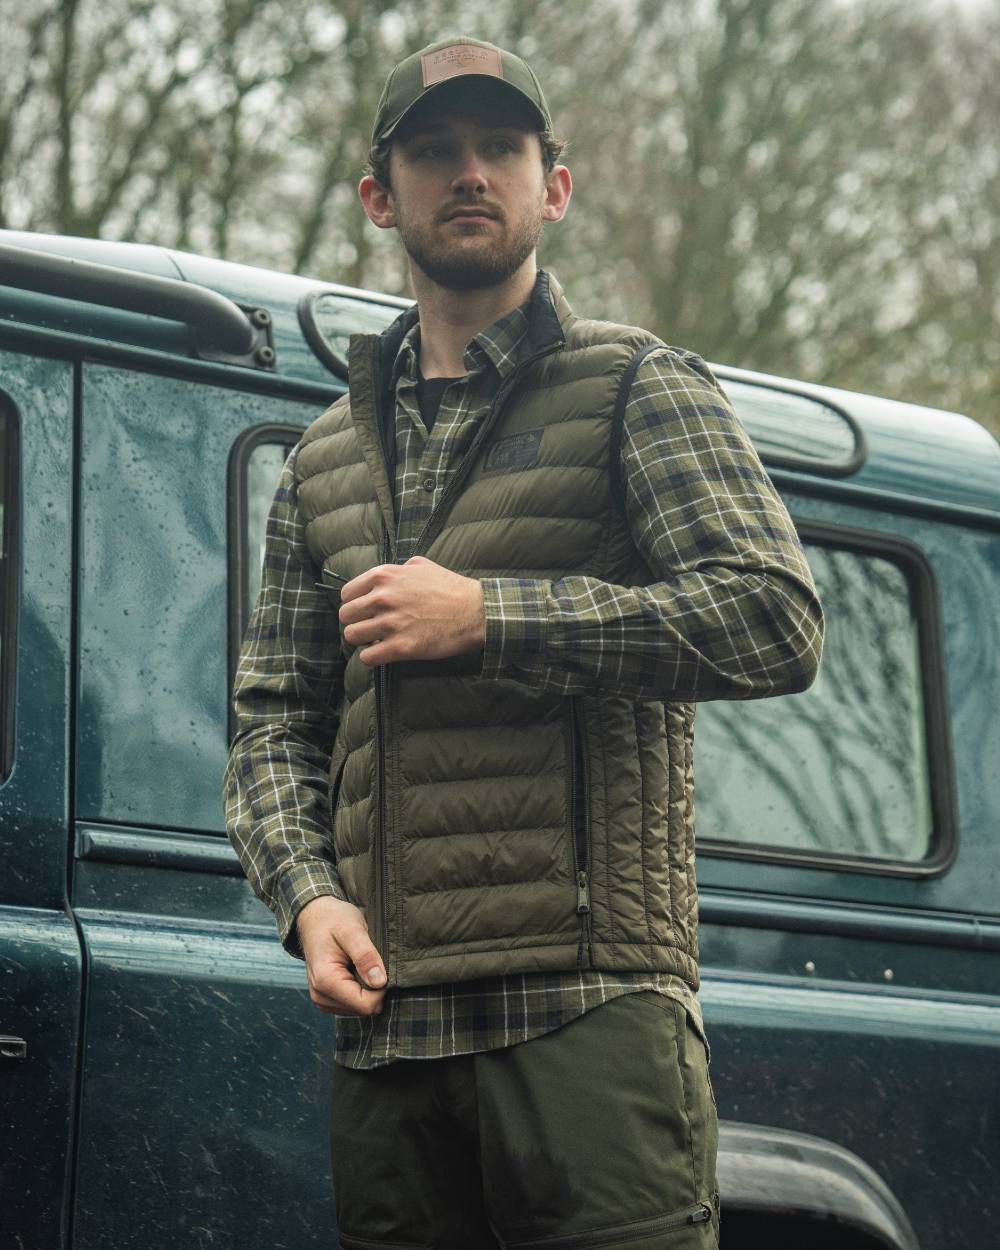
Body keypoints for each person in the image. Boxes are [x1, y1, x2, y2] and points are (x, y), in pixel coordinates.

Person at [224, 35, 823, 1250]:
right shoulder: (324, 455)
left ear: (553, 184)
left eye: (501, 147)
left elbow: (773, 616)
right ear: (379, 196)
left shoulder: (635, 387)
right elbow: (272, 719)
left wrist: (494, 615)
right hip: (390, 1034)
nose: (469, 174)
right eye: (435, 150)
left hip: (587, 1018)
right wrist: (306, 896)